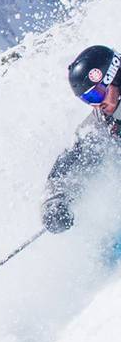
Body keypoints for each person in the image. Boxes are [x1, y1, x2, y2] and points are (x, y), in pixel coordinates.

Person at [42, 45, 121, 233]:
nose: (96, 104)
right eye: (87, 99)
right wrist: (57, 201)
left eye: (96, 94)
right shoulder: (101, 124)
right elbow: (70, 162)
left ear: (113, 77)